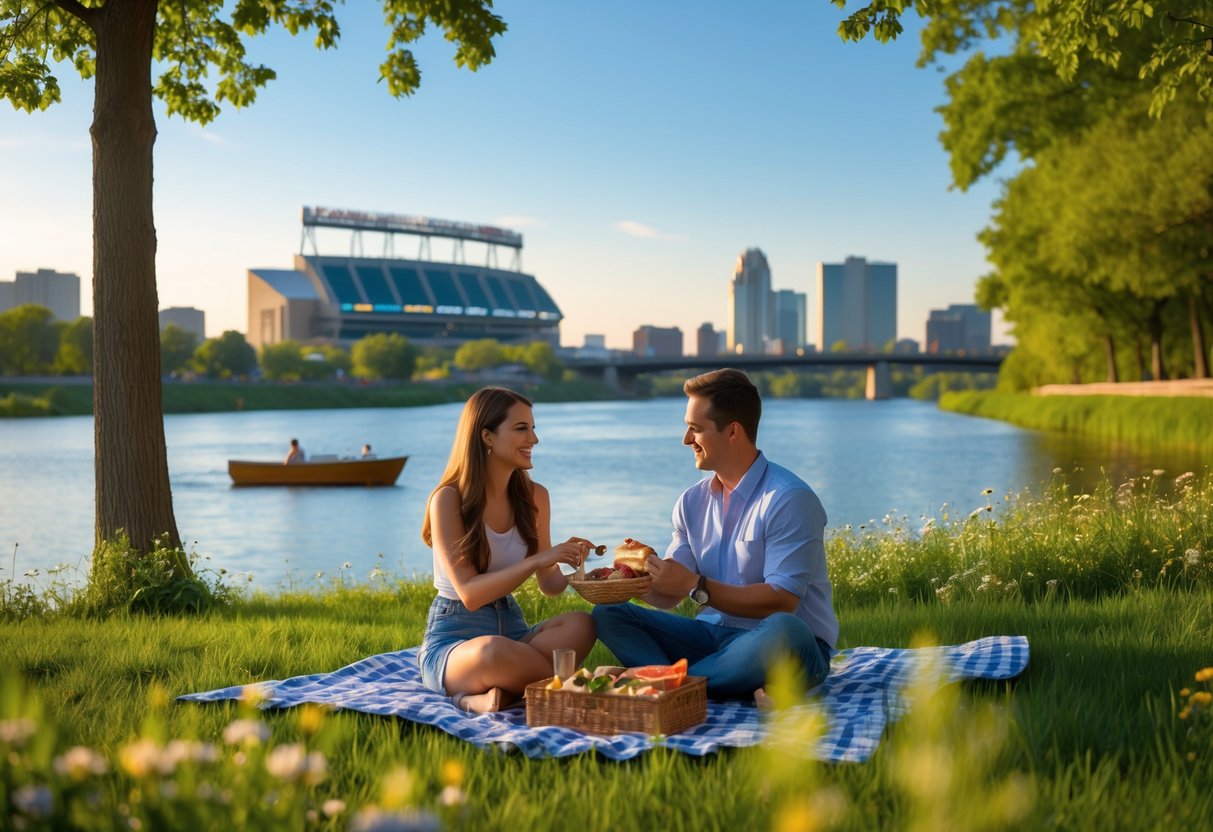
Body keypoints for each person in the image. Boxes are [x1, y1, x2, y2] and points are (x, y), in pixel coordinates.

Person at [591, 368, 837, 701]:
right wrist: (627, 581)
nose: (685, 440)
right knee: (610, 615)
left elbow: (783, 600)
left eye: (695, 429)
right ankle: (691, 682)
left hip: (786, 643)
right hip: (711, 635)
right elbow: (669, 595)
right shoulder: (691, 501)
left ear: (733, 431)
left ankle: (665, 684)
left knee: (785, 629)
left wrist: (696, 587)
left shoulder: (788, 499)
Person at [419, 387, 598, 713]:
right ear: (487, 436)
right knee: (493, 652)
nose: (534, 439)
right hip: (456, 636)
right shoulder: (447, 499)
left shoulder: (535, 497)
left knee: (582, 625)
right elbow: (470, 594)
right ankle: (571, 688)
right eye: (521, 429)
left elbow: (550, 585)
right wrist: (537, 560)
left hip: (513, 630)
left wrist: (577, 568)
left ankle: (503, 693)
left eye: (532, 428)